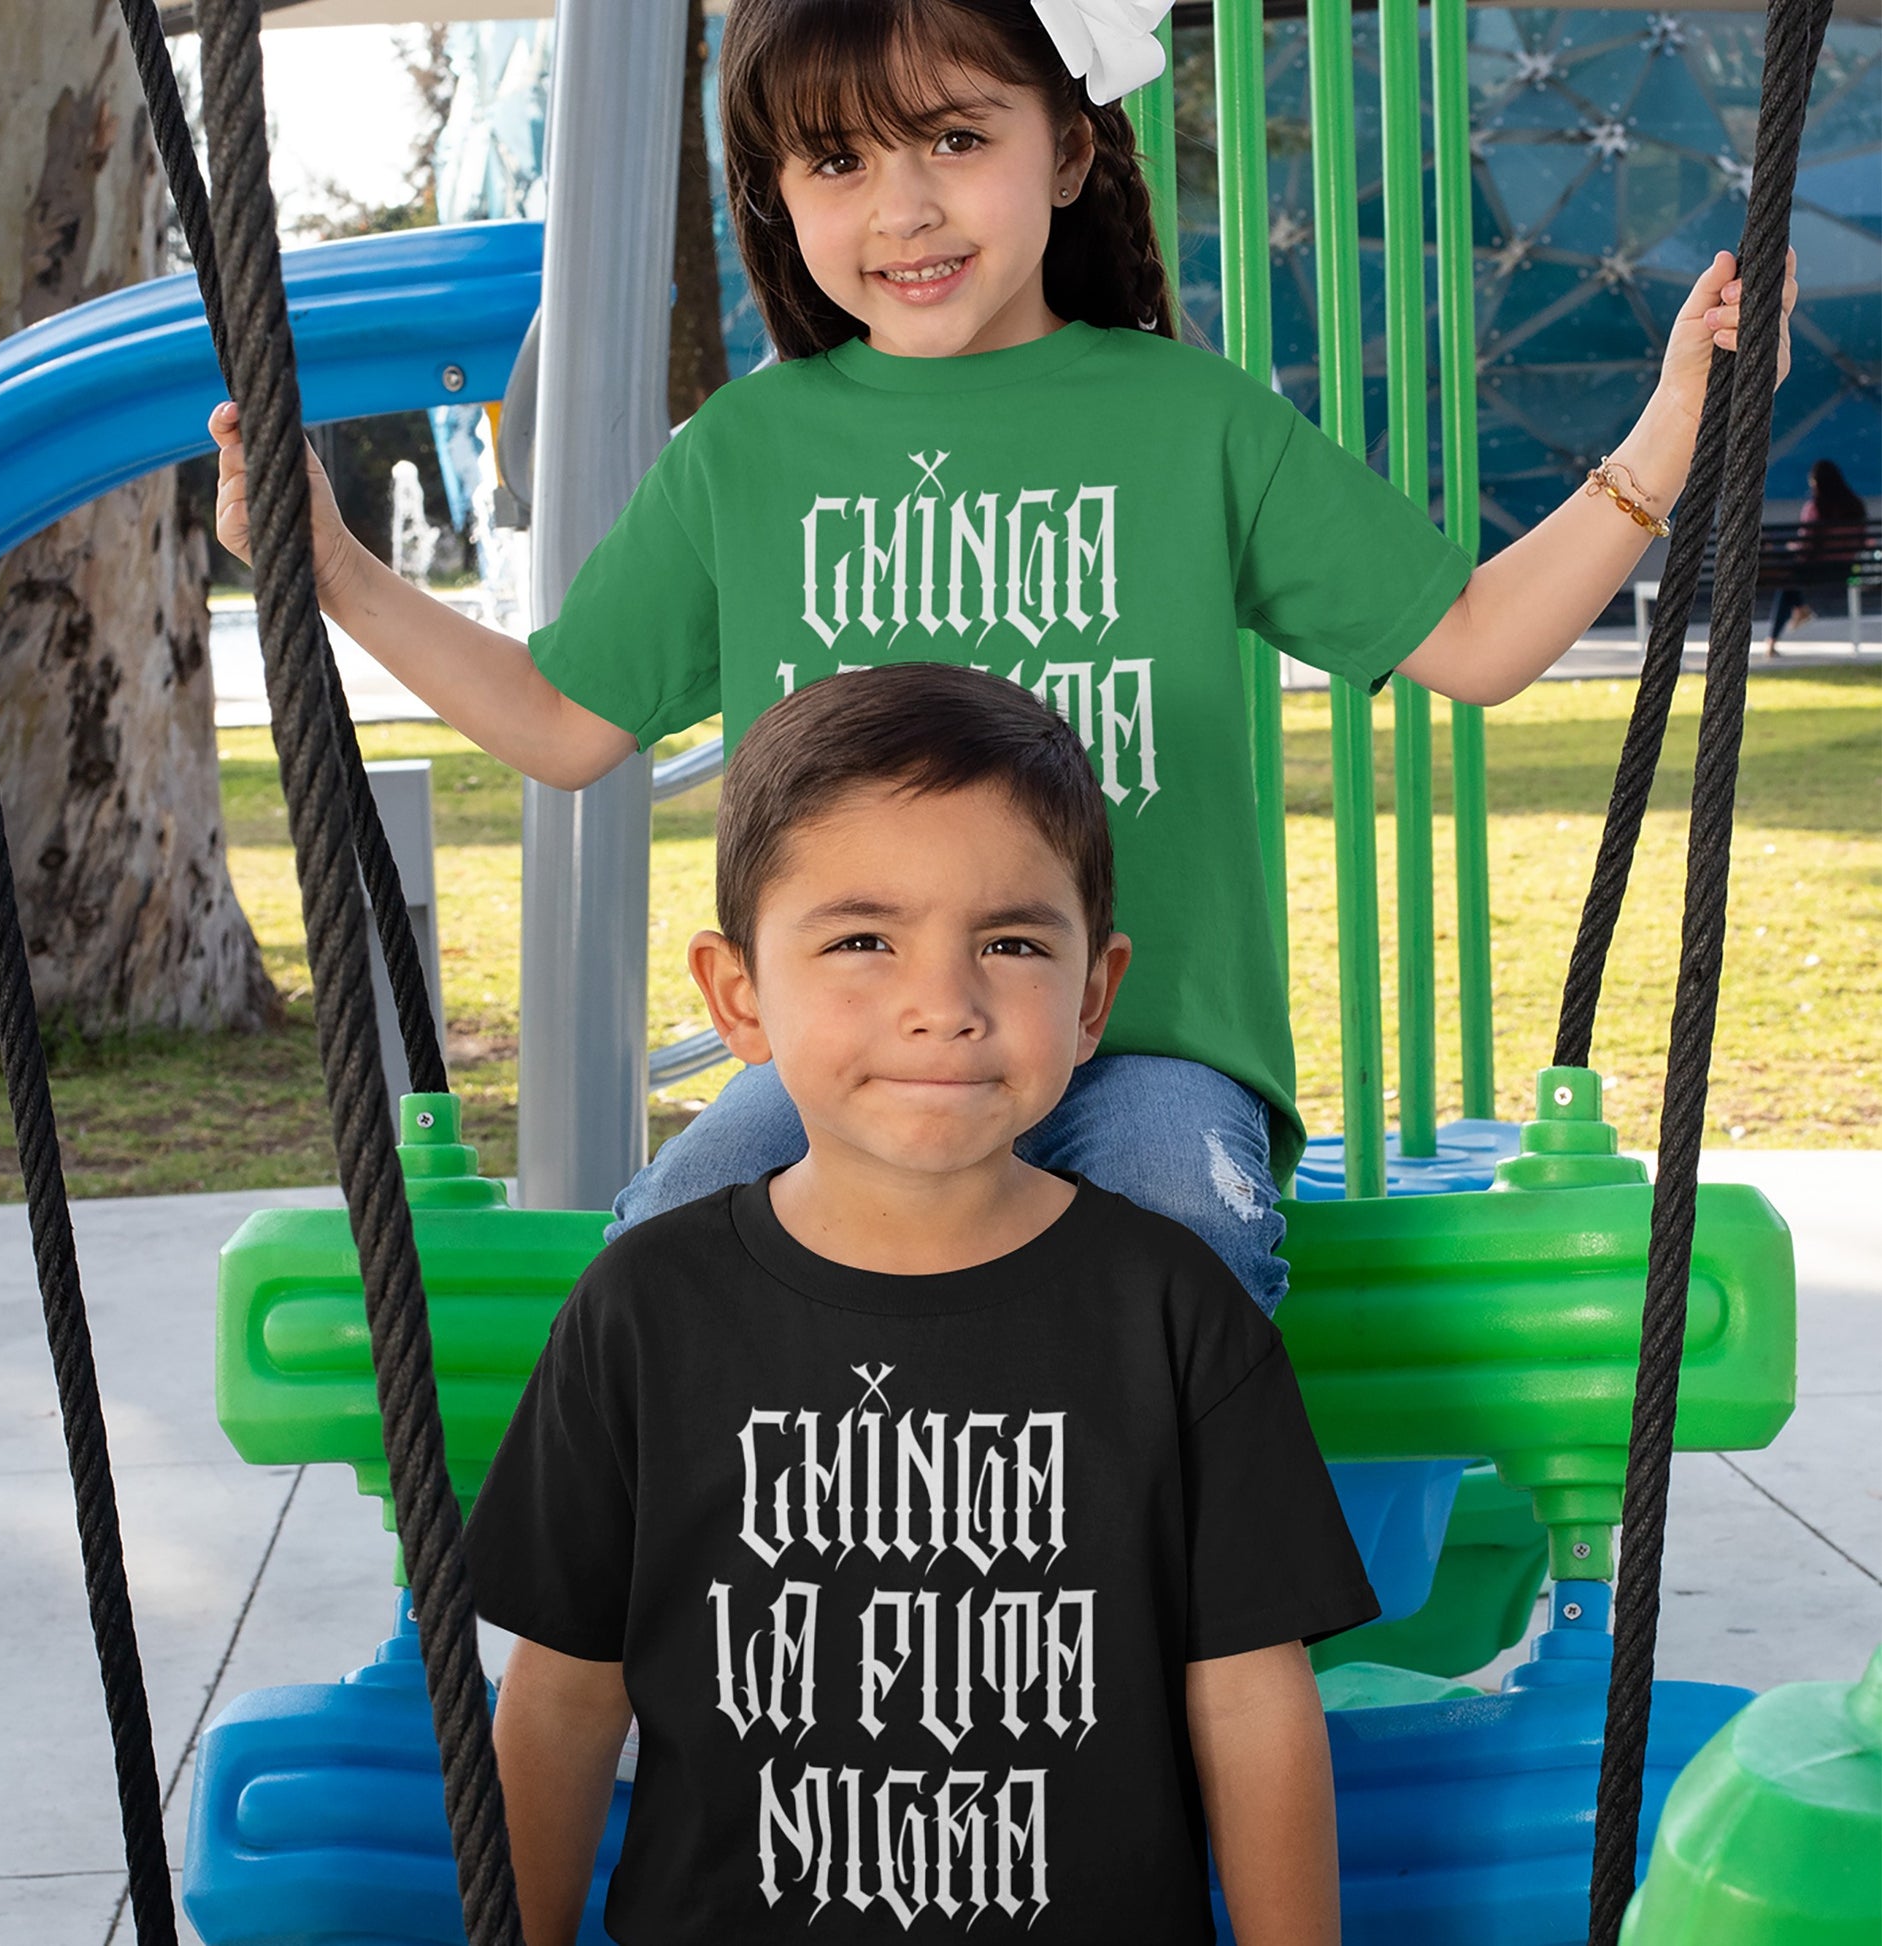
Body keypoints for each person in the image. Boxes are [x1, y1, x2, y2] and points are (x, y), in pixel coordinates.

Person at [208, 0, 1798, 1316]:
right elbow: (562, 720)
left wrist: (1673, 425)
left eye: (955, 140)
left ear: (1069, 147)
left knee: (1182, 1229)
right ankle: (732, 1599)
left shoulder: (1185, 418)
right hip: (842, 1063)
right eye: (838, 160)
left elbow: (1476, 640)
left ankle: (1145, 1601)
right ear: (779, 191)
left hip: (1144, 1053)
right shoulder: (749, 451)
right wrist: (332, 567)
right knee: (672, 1245)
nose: (901, 209)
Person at [462, 661, 1382, 1945]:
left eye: (1010, 943)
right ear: (737, 995)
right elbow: (563, 1694)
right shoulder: (643, 1309)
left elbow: (1248, 1698)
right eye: (862, 940)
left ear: (1092, 992)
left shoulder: (1174, 1311)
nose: (942, 1006)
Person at [1764, 457, 1869, 656]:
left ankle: (1781, 630)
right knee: (1789, 581)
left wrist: (1793, 547)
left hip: (1817, 571)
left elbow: (1807, 545)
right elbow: (1862, 542)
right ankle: (1798, 611)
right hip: (1845, 570)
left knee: (1787, 581)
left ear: (1817, 483)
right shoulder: (1855, 505)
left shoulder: (1816, 507)